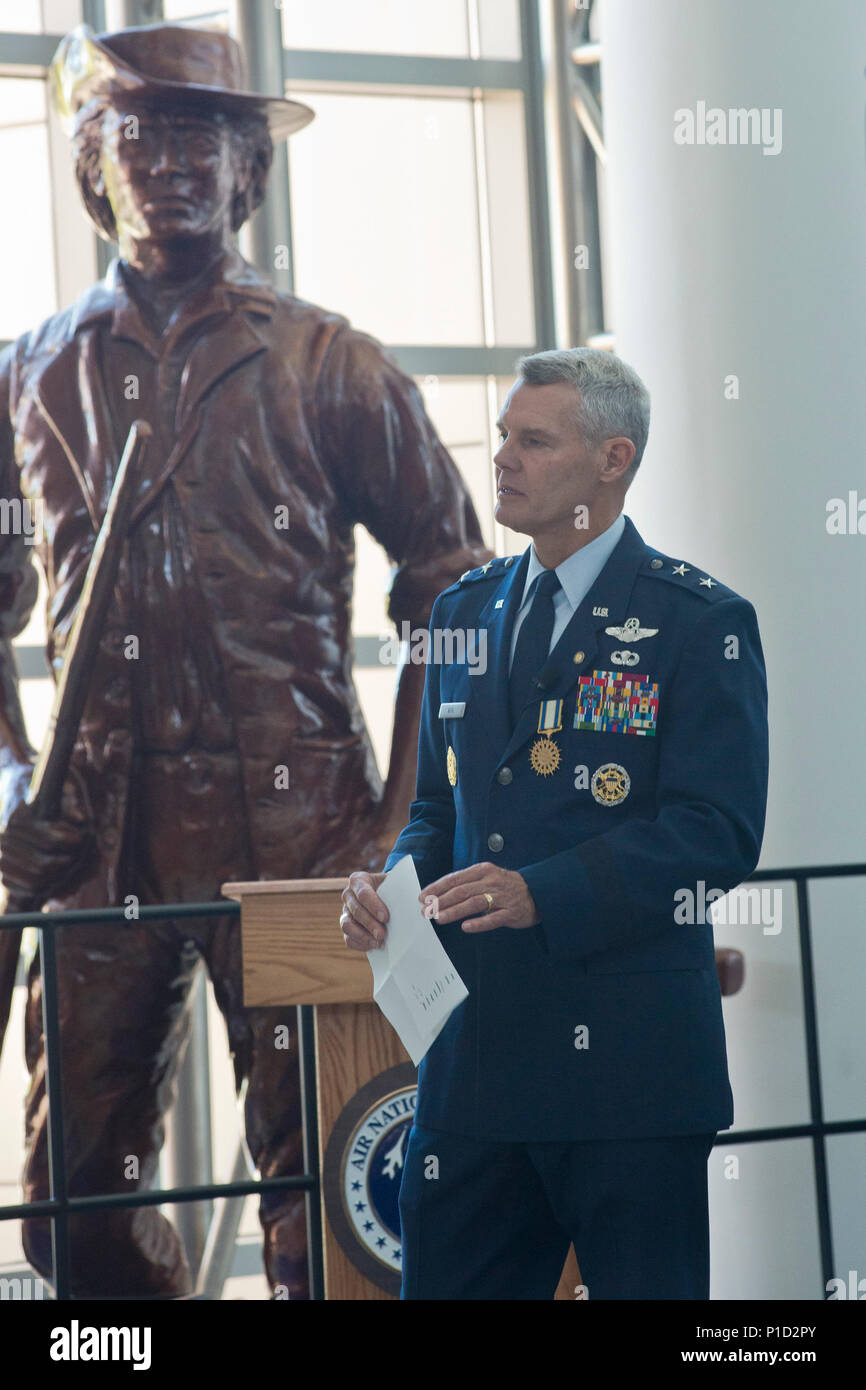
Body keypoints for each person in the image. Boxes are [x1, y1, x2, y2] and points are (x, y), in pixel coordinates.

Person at [0, 23, 488, 1299]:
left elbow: (453, 581)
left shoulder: (333, 363)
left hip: (301, 835)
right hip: (99, 838)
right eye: (142, 136)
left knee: (324, 1192)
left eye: (204, 137)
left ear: (248, 174)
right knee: (68, 1220)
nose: (171, 163)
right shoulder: (26, 377)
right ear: (93, 166)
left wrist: (396, 822)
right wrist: (11, 778)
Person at [341, 347, 769, 1299]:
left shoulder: (697, 622)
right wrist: (388, 885)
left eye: (533, 442)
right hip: (473, 1074)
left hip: (626, 1074)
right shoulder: (461, 612)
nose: (502, 458)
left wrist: (546, 892)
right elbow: (436, 810)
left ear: (611, 460)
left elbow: (718, 830)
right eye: (503, 436)